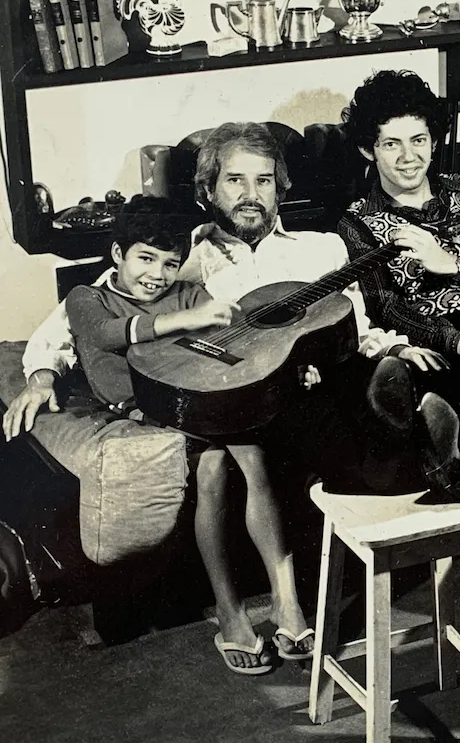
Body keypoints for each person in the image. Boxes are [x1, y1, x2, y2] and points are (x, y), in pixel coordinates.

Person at [3, 122, 460, 667]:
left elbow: (351, 325)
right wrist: (42, 375)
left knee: (357, 382)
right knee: (261, 446)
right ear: (209, 190)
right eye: (235, 180)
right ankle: (421, 459)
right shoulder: (182, 257)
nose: (251, 194)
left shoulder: (321, 249)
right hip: (235, 401)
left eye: (264, 180)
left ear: (281, 188)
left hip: (315, 384)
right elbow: (78, 322)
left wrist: (392, 347)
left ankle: (415, 439)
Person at [65, 195, 315, 675]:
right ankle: (231, 611)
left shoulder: (189, 292)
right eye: (145, 258)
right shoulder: (87, 298)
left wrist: (292, 366)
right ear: (117, 253)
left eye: (170, 263)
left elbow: (235, 349)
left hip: (204, 401)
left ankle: (286, 603)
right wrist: (185, 322)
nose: (157, 274)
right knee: (215, 465)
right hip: (145, 409)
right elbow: (106, 335)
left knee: (253, 454)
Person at [337, 70, 460, 457]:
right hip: (442, 343)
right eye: (391, 144)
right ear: (368, 150)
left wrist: (456, 265)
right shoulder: (358, 222)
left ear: (434, 141)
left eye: (418, 140)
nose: (408, 157)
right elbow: (386, 307)